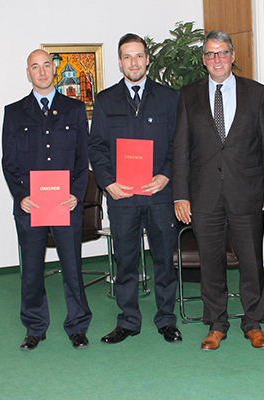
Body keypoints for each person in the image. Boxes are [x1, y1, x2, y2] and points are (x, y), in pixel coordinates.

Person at [171, 30, 264, 351]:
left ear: (233, 56)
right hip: (204, 193)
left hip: (246, 191)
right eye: (210, 54)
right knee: (211, 262)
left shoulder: (256, 93)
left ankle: (253, 322)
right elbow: (181, 148)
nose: (216, 60)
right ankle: (216, 323)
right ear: (203, 59)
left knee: (251, 260)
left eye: (222, 53)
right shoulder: (188, 94)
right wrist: (181, 194)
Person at [89, 33, 182, 345]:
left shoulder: (170, 98)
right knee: (126, 260)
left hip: (159, 195)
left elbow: (178, 145)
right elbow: (97, 148)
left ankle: (166, 319)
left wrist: (166, 175)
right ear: (119, 61)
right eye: (127, 57)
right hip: (122, 197)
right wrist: (107, 183)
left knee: (163, 260)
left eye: (139, 56)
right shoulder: (104, 101)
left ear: (147, 59)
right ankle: (128, 320)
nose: (134, 62)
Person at [2, 49, 92, 350]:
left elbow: (83, 159)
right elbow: (9, 162)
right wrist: (21, 196)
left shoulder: (75, 109)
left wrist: (76, 194)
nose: (41, 71)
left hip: (66, 203)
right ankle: (35, 327)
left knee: (72, 266)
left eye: (46, 66)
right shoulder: (14, 112)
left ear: (53, 69)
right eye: (34, 67)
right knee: (31, 269)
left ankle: (78, 325)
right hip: (31, 205)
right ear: (28, 72)